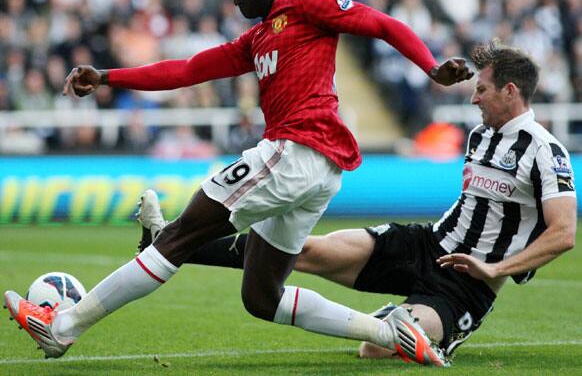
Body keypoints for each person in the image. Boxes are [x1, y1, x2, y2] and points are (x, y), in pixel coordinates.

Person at [4, 0, 472, 366]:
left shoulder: (310, 2)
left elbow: (381, 23)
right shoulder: (257, 39)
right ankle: (392, 332)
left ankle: (62, 327)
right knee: (262, 296)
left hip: (296, 152)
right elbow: (186, 70)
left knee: (178, 236)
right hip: (317, 170)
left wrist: (430, 67)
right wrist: (108, 77)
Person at [136, 42, 577, 363]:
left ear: (510, 91)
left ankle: (420, 326)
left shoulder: (545, 151)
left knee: (376, 349)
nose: (473, 96)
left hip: (467, 285)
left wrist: (496, 270)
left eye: (482, 89)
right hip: (425, 245)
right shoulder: (481, 134)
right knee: (302, 251)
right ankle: (169, 241)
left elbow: (563, 232)